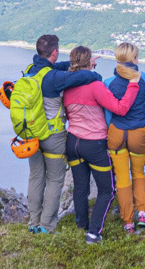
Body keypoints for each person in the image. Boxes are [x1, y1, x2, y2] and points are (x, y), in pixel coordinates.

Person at [63, 46, 141, 244]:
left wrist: (87, 68)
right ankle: (93, 233)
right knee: (107, 190)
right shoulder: (96, 85)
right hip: (94, 144)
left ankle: (81, 225)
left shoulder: (67, 85)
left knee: (80, 187)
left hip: (73, 142)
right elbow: (121, 108)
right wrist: (133, 84)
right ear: (90, 62)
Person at [26, 35, 101, 234]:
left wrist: (81, 62)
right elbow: (82, 77)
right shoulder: (53, 78)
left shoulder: (32, 71)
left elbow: (61, 66)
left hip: (31, 135)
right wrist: (93, 73)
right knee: (55, 180)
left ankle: (33, 223)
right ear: (55, 52)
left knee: (36, 177)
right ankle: (47, 226)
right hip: (52, 136)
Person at [104, 43, 145, 233]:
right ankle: (141, 213)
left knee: (122, 179)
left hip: (116, 132)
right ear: (134, 59)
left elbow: (108, 113)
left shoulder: (108, 83)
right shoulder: (144, 79)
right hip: (138, 132)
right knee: (138, 173)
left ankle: (127, 222)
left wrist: (110, 130)